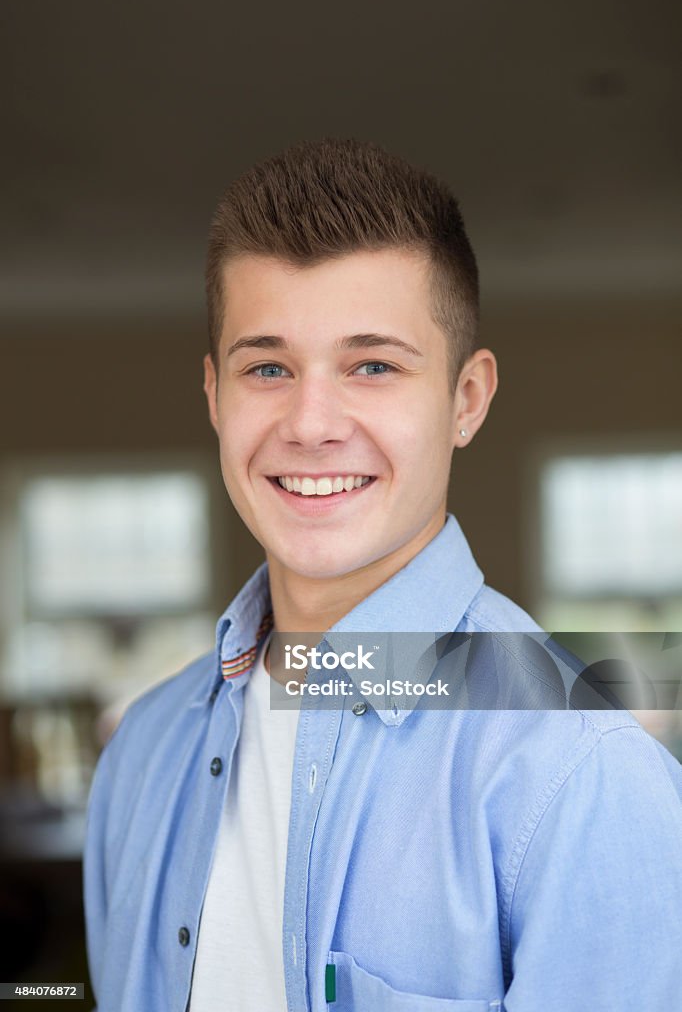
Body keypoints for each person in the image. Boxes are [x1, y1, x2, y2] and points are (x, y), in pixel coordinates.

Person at [83, 139, 682, 1011]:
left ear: (466, 400)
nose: (311, 423)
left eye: (373, 365)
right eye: (268, 367)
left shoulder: (585, 769)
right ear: (215, 397)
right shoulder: (141, 750)